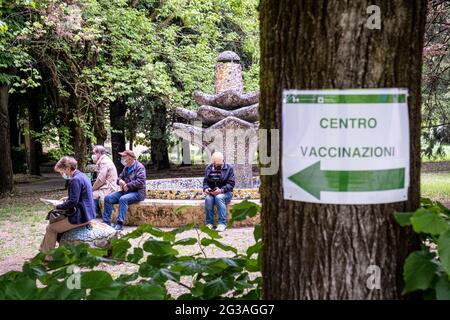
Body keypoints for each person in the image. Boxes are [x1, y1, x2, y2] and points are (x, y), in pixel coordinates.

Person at [39, 156, 96, 253]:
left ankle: (46, 257)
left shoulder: (75, 180)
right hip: (88, 213)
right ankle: (43, 252)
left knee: (51, 228)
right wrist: (67, 198)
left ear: (68, 168)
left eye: (62, 171)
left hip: (82, 216)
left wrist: (58, 206)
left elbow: (73, 202)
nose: (62, 174)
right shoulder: (82, 176)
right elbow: (81, 195)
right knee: (53, 224)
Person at [102, 150, 146, 231]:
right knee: (107, 198)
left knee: (123, 199)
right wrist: (120, 181)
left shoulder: (140, 167)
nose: (122, 159)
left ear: (129, 158)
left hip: (138, 193)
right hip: (126, 191)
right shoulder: (126, 168)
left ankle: (119, 224)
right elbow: (119, 178)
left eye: (123, 157)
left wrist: (128, 185)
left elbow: (141, 182)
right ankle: (106, 222)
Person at [203, 151, 235, 232]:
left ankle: (222, 224)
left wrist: (221, 190)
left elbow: (231, 184)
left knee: (219, 197)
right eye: (216, 164)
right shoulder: (208, 168)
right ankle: (209, 224)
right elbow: (205, 182)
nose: (218, 166)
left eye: (220, 164)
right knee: (208, 199)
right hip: (212, 193)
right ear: (213, 162)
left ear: (223, 160)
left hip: (226, 193)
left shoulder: (229, 168)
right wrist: (206, 189)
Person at [91, 145, 119, 214]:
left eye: (94, 153)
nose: (93, 155)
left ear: (99, 153)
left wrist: (92, 188)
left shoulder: (104, 162)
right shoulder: (103, 160)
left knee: (91, 195)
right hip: (106, 186)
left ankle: (92, 215)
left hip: (109, 188)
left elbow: (101, 179)